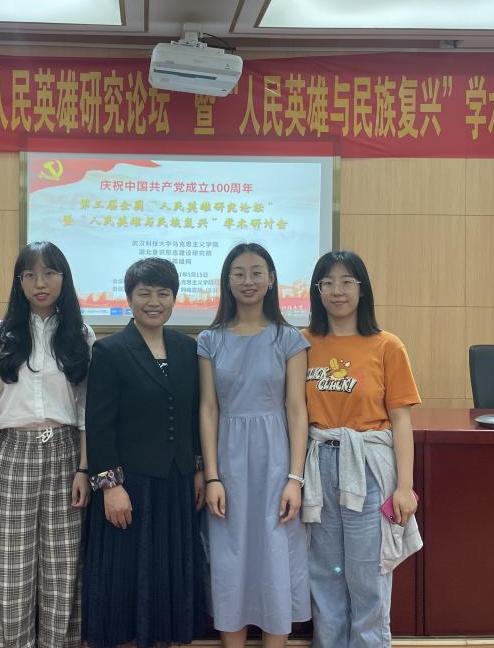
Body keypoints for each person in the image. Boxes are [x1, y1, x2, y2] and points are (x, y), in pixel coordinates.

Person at [0, 241, 94, 648]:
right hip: (12, 452)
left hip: (66, 454)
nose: (41, 283)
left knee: (63, 567)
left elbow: (86, 408)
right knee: (10, 569)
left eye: (50, 273)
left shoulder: (80, 334)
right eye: (30, 275)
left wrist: (84, 468)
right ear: (19, 282)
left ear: (63, 279)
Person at [301, 250, 423, 648]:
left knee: (368, 576)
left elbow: (401, 421)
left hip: (368, 468)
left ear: (362, 289)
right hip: (319, 467)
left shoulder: (387, 346)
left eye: (346, 282)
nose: (337, 291)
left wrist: (404, 487)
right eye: (328, 283)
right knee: (325, 577)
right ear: (317, 291)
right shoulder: (303, 343)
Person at [83, 258, 206, 648]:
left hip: (176, 483)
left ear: (174, 298)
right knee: (125, 583)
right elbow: (99, 423)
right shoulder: (110, 350)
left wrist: (199, 469)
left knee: (169, 579)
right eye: (145, 293)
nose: (154, 302)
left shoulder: (187, 348)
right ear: (129, 297)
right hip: (130, 487)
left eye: (163, 293)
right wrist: (110, 486)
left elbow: (192, 415)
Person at [197, 242, 310, 647]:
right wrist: (213, 477)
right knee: (229, 558)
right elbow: (209, 409)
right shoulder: (210, 340)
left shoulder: (289, 338)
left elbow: (296, 410)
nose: (248, 280)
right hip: (228, 462)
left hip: (276, 461)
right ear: (227, 281)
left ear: (271, 279)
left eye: (256, 272)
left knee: (276, 556)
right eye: (239, 273)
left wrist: (295, 478)